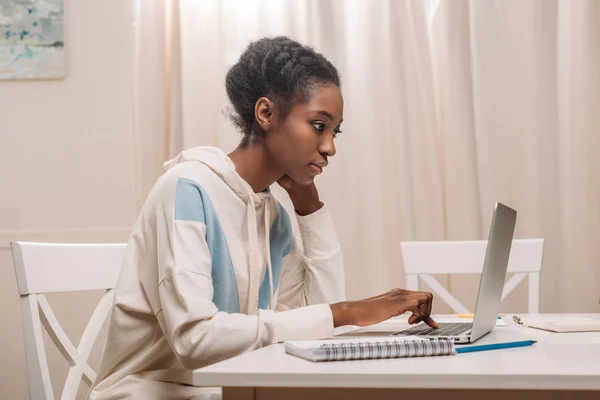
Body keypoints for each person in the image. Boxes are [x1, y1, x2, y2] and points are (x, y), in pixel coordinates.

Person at [89, 36, 438, 400]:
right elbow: (195, 340)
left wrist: (309, 209)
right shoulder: (186, 189)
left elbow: (315, 322)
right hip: (147, 393)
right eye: (319, 125)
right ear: (266, 113)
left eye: (336, 131)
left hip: (226, 389)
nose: (330, 146)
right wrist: (345, 312)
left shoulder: (273, 216)